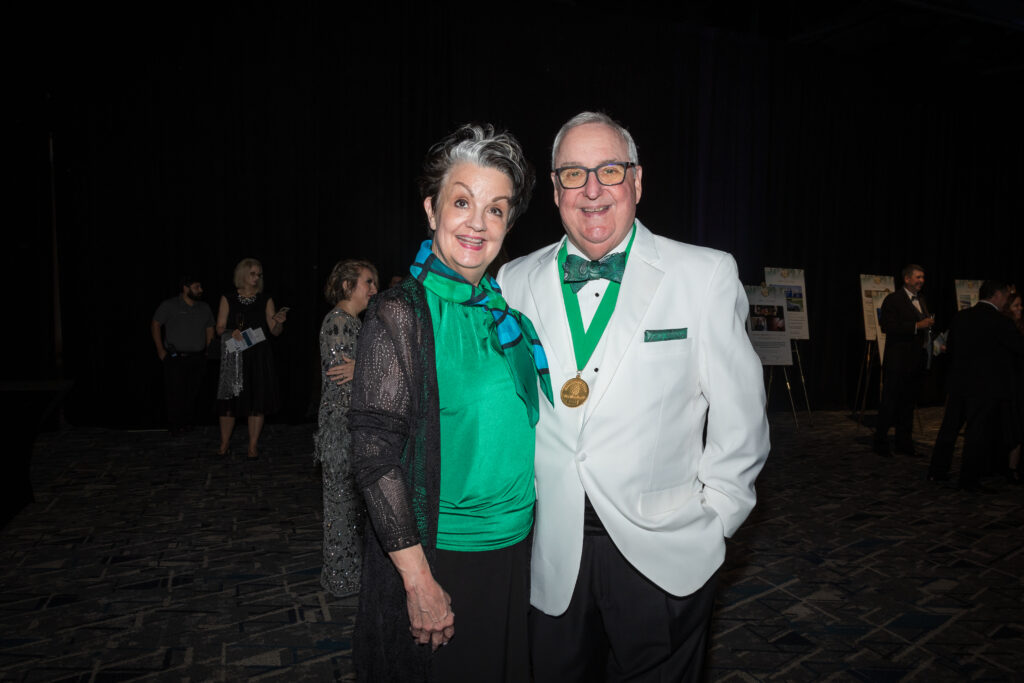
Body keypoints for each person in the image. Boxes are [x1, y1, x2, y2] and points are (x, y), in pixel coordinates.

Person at [497, 111, 770, 681]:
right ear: (554, 188)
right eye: (573, 173)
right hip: (551, 552)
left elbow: (741, 421)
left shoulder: (704, 275)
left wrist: (715, 521)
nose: (592, 189)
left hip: (663, 555)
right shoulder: (513, 281)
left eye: (610, 170)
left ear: (638, 182)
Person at [349, 124, 552, 682]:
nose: (477, 223)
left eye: (496, 210)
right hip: (444, 557)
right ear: (432, 211)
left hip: (513, 550)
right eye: (462, 202)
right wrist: (419, 581)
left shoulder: (506, 316)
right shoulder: (401, 314)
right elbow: (372, 458)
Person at [313, 259, 378, 597]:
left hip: (346, 427)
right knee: (341, 507)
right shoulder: (340, 323)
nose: (373, 290)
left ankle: (346, 575)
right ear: (347, 286)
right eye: (368, 282)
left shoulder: (352, 324)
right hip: (342, 428)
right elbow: (344, 381)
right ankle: (342, 578)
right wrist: (369, 368)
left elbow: (359, 374)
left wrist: (365, 366)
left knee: (349, 506)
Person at [928, 281, 1024, 491]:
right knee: (976, 433)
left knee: (949, 429)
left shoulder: (961, 316)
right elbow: (1018, 349)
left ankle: (937, 471)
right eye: (1006, 296)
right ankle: (969, 479)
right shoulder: (1000, 322)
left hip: (959, 383)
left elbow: (950, 349)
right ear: (996, 295)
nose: (1007, 300)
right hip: (985, 387)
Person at [215, 258, 287, 459]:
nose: (256, 278)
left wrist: (279, 322)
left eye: (259, 275)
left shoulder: (266, 299)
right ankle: (224, 443)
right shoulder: (228, 298)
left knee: (257, 400)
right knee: (229, 400)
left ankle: (252, 446)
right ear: (242, 274)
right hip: (235, 354)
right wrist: (231, 332)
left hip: (258, 355)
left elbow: (274, 331)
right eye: (253, 273)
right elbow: (219, 328)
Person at [873, 264, 935, 457]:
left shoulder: (922, 299)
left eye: (923, 277)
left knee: (908, 404)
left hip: (915, 361)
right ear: (906, 279)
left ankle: (904, 442)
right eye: (917, 277)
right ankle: (880, 441)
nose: (921, 281)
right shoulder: (893, 299)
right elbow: (887, 326)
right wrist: (917, 326)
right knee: (890, 403)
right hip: (897, 362)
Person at [151, 275, 215, 434]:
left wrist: (209, 349)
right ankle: (175, 425)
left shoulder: (204, 307)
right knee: (175, 393)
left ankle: (187, 424)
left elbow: (210, 328)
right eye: (197, 287)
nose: (201, 290)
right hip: (175, 357)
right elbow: (155, 324)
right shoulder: (170, 305)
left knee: (193, 393)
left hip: (198, 358)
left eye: (200, 287)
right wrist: (160, 350)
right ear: (186, 288)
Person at [1001, 289, 1023, 483]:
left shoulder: (1019, 327)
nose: (1020, 309)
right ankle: (1010, 468)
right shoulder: (1007, 329)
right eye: (1016, 306)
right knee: (1014, 427)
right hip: (1011, 386)